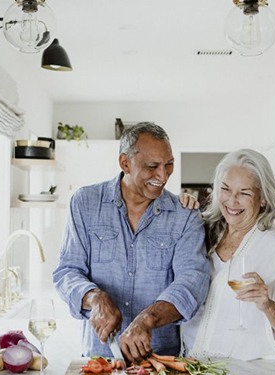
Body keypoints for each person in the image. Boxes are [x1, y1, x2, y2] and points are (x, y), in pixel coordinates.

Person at [53, 122, 210, 362]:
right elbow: (67, 271)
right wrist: (94, 298)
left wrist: (148, 319)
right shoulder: (85, 203)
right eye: (152, 166)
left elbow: (192, 282)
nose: (163, 175)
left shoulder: (185, 215)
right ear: (125, 163)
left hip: (161, 361)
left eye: (169, 165)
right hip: (99, 359)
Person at [181, 148, 275, 361]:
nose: (232, 201)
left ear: (263, 198)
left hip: (243, 373)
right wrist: (179, 209)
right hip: (191, 363)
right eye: (226, 189)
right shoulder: (206, 229)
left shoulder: (274, 247)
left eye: (244, 193)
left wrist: (267, 304)